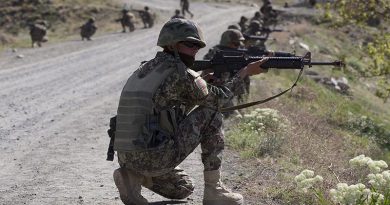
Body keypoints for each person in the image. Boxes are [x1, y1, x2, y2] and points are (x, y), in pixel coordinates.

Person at [110, 18, 268, 205]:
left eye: (197, 46)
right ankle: (214, 191)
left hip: (127, 157)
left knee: (184, 187)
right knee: (212, 113)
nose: (195, 50)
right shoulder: (182, 74)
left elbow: (169, 108)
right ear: (171, 45)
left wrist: (201, 82)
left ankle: (133, 177)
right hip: (152, 157)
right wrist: (245, 72)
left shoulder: (145, 68)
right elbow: (219, 101)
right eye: (190, 44)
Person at [203, 29, 248, 116]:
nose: (239, 47)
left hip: (225, 93)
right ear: (227, 43)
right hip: (215, 96)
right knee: (236, 118)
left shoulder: (232, 54)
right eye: (236, 44)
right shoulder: (215, 54)